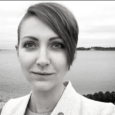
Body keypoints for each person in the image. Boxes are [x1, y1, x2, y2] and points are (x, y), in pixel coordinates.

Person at [1, 2, 115, 115]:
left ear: (73, 54)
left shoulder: (105, 112)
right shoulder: (9, 108)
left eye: (57, 45)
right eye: (30, 44)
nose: (42, 60)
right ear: (18, 52)